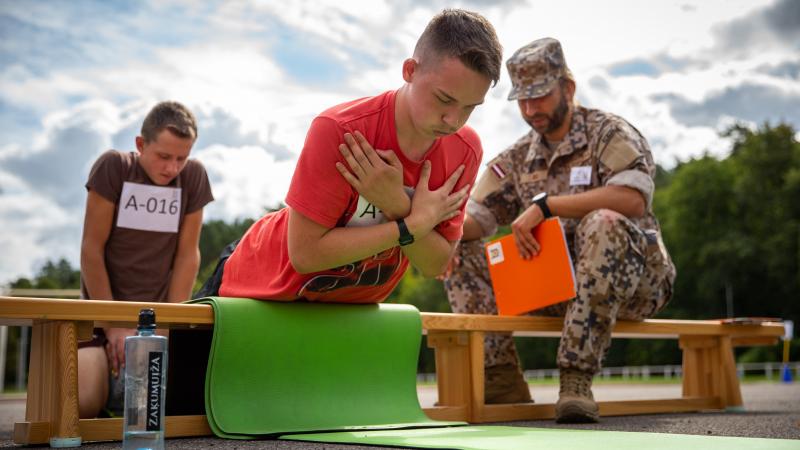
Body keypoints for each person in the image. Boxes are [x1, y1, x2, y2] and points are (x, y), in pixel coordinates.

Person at [443, 38, 676, 423]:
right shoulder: (517, 158)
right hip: (557, 287)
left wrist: (546, 206)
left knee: (604, 222)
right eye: (523, 100)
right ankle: (501, 379)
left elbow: (634, 198)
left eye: (540, 96)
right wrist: (439, 228)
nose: (531, 109)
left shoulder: (608, 132)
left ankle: (575, 380)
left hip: (638, 283)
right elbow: (478, 217)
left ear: (567, 88)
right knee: (462, 247)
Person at [200, 9, 503, 304]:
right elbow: (305, 255)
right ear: (409, 70)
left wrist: (397, 204)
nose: (453, 120)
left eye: (470, 107)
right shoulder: (339, 129)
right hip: (251, 289)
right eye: (444, 99)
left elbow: (435, 263)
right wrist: (410, 226)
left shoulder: (465, 150)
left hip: (345, 311)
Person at [78, 101, 214, 418]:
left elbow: (187, 256)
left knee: (188, 406)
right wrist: (112, 324)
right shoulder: (114, 167)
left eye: (181, 157)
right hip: (103, 319)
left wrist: (167, 327)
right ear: (141, 144)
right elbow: (91, 249)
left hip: (160, 320)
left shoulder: (193, 177)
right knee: (81, 404)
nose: (172, 168)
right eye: (163, 156)